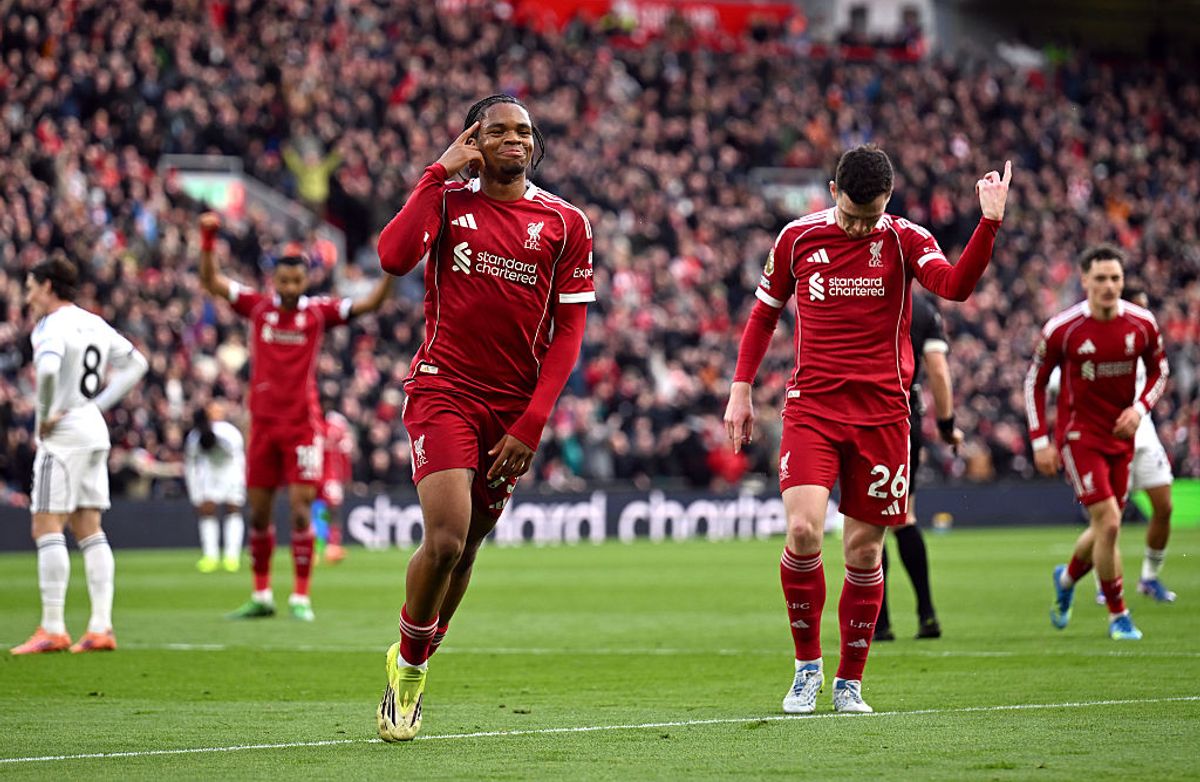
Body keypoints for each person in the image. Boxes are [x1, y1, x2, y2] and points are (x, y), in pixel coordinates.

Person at [725, 146, 1010, 713]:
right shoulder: (797, 238)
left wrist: (989, 223)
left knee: (863, 552)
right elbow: (763, 314)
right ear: (832, 191)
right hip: (813, 409)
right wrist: (740, 388)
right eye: (852, 213)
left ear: (889, 199)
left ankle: (849, 682)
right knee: (804, 532)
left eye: (871, 215)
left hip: (884, 416)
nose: (860, 226)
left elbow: (954, 287)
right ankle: (807, 668)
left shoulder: (906, 239)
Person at [373, 95, 594, 741]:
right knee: (444, 537)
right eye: (498, 130)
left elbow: (570, 332)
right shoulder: (447, 201)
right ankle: (409, 675)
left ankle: (416, 650)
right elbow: (392, 258)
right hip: (444, 388)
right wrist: (435, 172)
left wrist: (532, 423)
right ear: (474, 138)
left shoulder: (565, 222)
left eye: (524, 131)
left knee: (467, 548)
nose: (514, 140)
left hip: (513, 407)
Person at [197, 215, 394, 622]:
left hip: (302, 427)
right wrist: (207, 238)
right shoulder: (258, 308)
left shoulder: (319, 313)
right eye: (282, 283)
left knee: (302, 512)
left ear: (306, 282)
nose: (288, 289)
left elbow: (371, 303)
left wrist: (393, 266)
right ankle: (262, 594)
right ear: (273, 281)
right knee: (259, 514)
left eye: (296, 283)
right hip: (264, 428)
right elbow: (212, 282)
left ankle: (301, 596)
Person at [1026, 245, 1168, 641]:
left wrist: (1140, 408)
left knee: (1108, 525)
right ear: (1084, 280)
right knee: (1108, 522)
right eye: (1101, 278)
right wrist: (1040, 440)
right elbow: (1034, 381)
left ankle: (1067, 577)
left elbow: (1161, 370)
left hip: (1123, 435)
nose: (1109, 286)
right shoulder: (1063, 328)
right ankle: (1118, 614)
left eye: (1115, 279)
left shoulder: (1141, 324)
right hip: (1078, 437)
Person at [11, 254, 148, 655]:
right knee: (89, 527)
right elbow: (137, 363)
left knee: (46, 526)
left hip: (65, 434)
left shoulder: (50, 326)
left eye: (33, 285)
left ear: (49, 286)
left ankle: (53, 626)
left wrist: (44, 416)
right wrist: (99, 404)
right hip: (92, 428)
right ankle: (101, 626)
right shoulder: (93, 321)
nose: (29, 293)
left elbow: (50, 371)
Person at [874, 292, 961, 642]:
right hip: (904, 417)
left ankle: (878, 623)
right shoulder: (923, 308)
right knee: (902, 516)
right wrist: (946, 424)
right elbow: (938, 369)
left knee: (867, 520)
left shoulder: (859, 291)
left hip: (859, 413)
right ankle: (927, 614)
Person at [1095, 287, 1176, 604]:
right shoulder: (1103, 339)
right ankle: (1106, 583)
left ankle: (1149, 577)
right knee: (1109, 519)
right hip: (1110, 438)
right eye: (1139, 306)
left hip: (1144, 435)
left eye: (1147, 307)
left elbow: (1161, 374)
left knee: (1164, 508)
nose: (1145, 314)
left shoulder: (1147, 341)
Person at [184, 401, 246, 574]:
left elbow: (238, 457)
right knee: (207, 511)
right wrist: (194, 491)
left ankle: (232, 556)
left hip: (231, 474)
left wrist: (242, 480)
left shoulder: (231, 432)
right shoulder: (196, 436)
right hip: (209, 476)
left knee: (233, 510)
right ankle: (210, 555)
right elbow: (191, 463)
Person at [314, 402, 354, 564]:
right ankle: (320, 547)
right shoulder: (315, 424)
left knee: (329, 510)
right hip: (319, 474)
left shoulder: (335, 425)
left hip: (329, 475)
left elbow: (344, 452)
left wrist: (345, 475)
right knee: (321, 510)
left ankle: (331, 545)